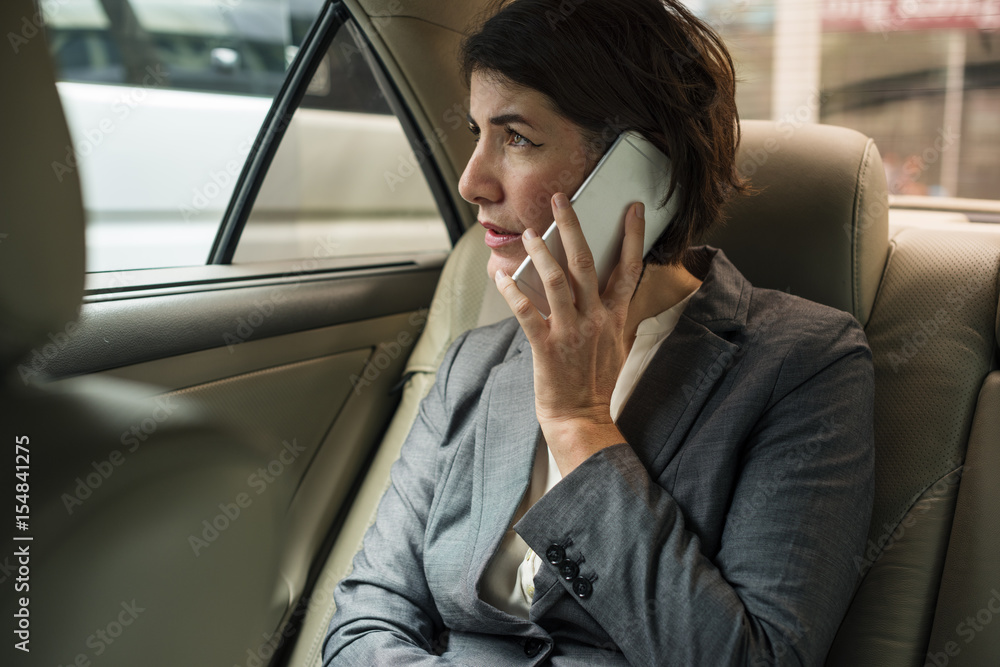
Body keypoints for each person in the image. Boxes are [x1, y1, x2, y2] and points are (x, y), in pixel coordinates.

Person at [324, 0, 874, 664]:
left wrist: (580, 422)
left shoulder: (803, 365)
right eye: (476, 132)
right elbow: (361, 625)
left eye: (516, 137)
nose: (472, 181)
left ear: (643, 168)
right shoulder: (473, 363)